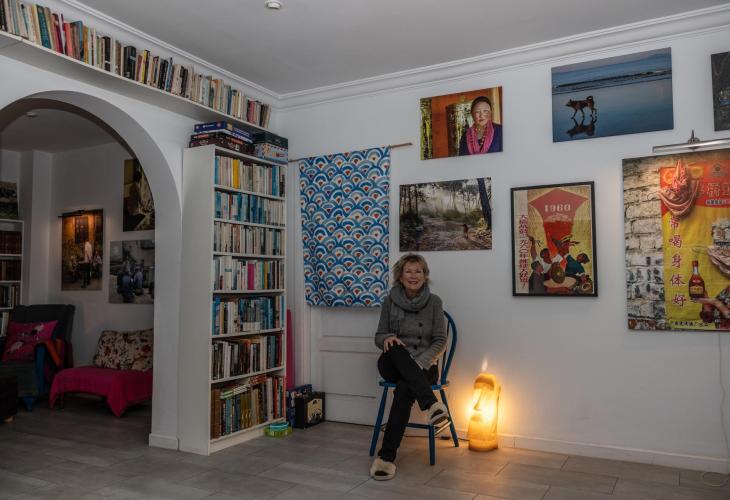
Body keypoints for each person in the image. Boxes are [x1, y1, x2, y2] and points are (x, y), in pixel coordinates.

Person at [370, 253, 449, 481]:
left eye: (418, 271)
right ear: (400, 276)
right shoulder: (389, 301)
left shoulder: (435, 302)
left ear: (425, 275)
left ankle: (386, 458)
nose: (414, 276)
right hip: (393, 362)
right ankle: (431, 405)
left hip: (425, 364)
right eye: (409, 271)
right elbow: (379, 335)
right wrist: (386, 339)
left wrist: (421, 361)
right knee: (395, 346)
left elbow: (440, 340)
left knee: (405, 387)